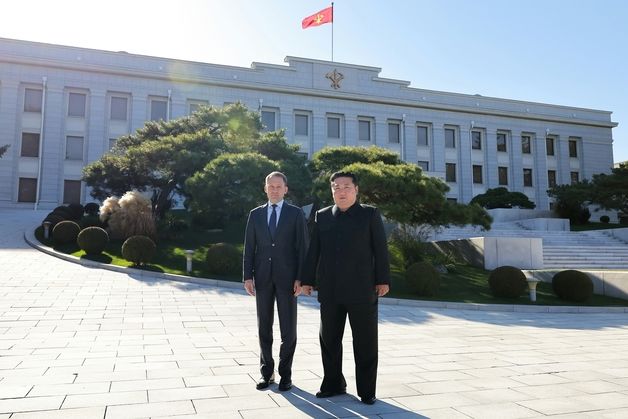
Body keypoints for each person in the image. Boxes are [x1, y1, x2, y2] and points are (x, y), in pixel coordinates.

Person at [302, 171, 390, 405]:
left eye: (346, 186)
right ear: (332, 190)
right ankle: (333, 384)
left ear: (356, 189)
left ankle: (367, 390)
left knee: (366, 342)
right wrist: (307, 280)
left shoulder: (369, 214)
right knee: (329, 340)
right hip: (330, 290)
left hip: (362, 290)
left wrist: (383, 280)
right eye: (336, 187)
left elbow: (380, 249)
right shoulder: (322, 216)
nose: (341, 191)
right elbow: (314, 251)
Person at [243, 171, 308, 392]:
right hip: (261, 278)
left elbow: (303, 249)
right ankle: (266, 373)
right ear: (265, 188)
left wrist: (301, 277)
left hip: (288, 280)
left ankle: (285, 374)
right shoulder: (255, 214)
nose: (274, 190)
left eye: (278, 187)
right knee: (264, 328)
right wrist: (247, 276)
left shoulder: (296, 214)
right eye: (271, 186)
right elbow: (249, 247)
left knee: (288, 329)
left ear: (286, 189)